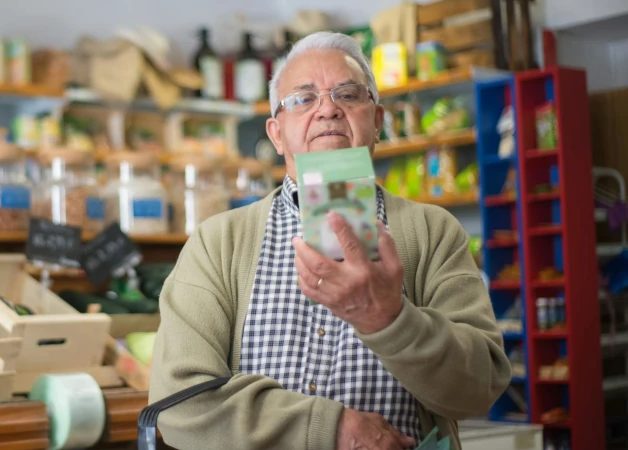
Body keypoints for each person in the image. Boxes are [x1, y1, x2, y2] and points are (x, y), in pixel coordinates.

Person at [149, 31, 510, 450]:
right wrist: (332, 428)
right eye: (303, 99)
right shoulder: (217, 242)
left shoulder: (433, 232)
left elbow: (479, 389)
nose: (328, 110)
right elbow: (179, 404)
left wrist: (389, 319)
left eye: (348, 94)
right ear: (276, 133)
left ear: (377, 123)